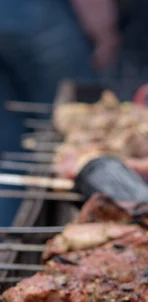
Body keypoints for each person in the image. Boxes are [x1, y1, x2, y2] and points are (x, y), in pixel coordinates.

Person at [0, 0, 120, 224]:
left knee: (7, 150)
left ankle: (5, 242)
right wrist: (100, 18)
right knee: (73, 123)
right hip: (35, 14)